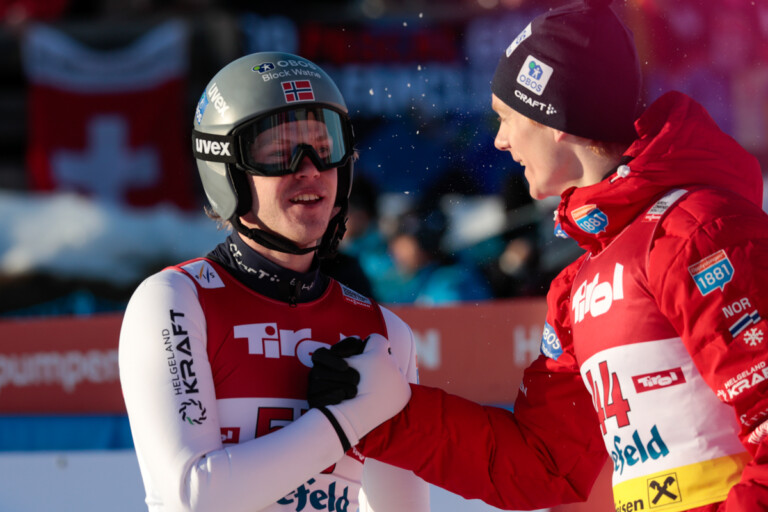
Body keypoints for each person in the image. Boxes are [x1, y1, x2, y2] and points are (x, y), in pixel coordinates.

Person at [306, 0, 768, 510]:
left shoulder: (696, 231)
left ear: (557, 120)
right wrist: (386, 415)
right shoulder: (579, 282)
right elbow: (543, 464)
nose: (501, 141)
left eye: (507, 117)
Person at [118, 51, 429, 512]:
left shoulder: (386, 336)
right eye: (278, 150)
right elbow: (191, 497)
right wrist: (347, 418)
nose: (309, 168)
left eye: (325, 147)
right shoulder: (174, 302)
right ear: (228, 170)